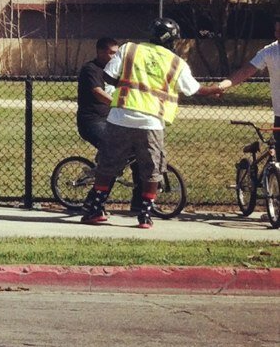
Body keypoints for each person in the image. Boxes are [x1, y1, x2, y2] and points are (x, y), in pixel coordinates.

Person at [82, 18, 221, 228]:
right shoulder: (176, 62)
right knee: (152, 169)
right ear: (172, 40)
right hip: (151, 122)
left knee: (108, 165)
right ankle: (145, 215)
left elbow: (109, 76)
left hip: (120, 117)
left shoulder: (129, 49)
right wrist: (216, 89)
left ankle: (95, 210)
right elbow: (194, 90)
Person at [217, 14, 280, 131]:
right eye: (276, 31)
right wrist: (221, 86)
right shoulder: (269, 51)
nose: (277, 35)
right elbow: (246, 71)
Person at [76, 36, 120, 152]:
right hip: (92, 121)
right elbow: (98, 92)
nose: (115, 57)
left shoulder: (115, 71)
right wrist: (119, 104)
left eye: (117, 53)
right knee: (111, 146)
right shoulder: (91, 69)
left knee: (133, 146)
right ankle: (100, 170)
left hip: (112, 118)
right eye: (111, 53)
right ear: (100, 52)